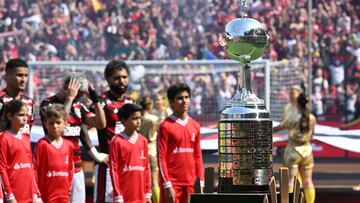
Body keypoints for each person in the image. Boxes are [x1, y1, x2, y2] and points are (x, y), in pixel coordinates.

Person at [40, 72, 107, 203]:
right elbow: (59, 129)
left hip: (76, 166)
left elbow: (101, 123)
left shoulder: (77, 106)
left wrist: (94, 98)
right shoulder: (48, 104)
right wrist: (70, 99)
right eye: (78, 95)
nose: (78, 99)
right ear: (67, 87)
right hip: (57, 167)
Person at [94, 59, 134, 203]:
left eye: (124, 77)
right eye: (117, 78)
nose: (121, 81)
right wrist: (95, 154)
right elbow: (83, 126)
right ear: (108, 80)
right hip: (108, 164)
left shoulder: (130, 101)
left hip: (128, 163)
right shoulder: (100, 101)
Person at [157, 83, 204, 203]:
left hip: (191, 184)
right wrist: (167, 185)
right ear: (171, 102)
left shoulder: (195, 126)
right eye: (180, 98)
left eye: (187, 97)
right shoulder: (165, 126)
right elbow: (161, 158)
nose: (184, 101)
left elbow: (198, 157)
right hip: (173, 184)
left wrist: (201, 183)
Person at [275, 92, 316, 203]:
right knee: (308, 181)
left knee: (290, 180)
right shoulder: (312, 118)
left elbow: (278, 127)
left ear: (297, 104)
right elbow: (312, 135)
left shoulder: (293, 118)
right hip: (307, 151)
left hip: (293, 151)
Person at [0, 100, 42, 203]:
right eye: (21, 115)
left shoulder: (26, 138)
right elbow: (2, 169)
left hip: (29, 193)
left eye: (27, 115)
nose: (25, 118)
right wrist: (10, 196)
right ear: (10, 116)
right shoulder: (4, 138)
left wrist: (36, 194)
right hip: (14, 194)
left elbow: (30, 168)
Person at [109, 103, 151, 203]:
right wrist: (118, 196)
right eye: (135, 118)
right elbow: (113, 170)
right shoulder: (116, 141)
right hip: (124, 197)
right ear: (123, 120)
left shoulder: (143, 140)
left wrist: (148, 192)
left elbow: (146, 168)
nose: (139, 122)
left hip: (141, 196)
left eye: (140, 118)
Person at [34, 104, 74, 203]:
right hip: (45, 196)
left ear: (65, 123)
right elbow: (34, 170)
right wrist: (36, 194)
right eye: (51, 123)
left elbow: (70, 170)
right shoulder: (42, 144)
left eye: (58, 122)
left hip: (63, 196)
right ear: (45, 124)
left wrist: (68, 191)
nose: (55, 126)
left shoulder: (69, 145)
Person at [0, 58, 35, 138]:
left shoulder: (30, 102)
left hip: (23, 149)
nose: (23, 79)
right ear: (7, 75)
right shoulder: (1, 99)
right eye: (19, 75)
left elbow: (28, 129)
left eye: (26, 75)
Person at [139, 96, 160, 203]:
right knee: (154, 182)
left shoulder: (139, 118)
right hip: (152, 149)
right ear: (150, 105)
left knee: (141, 181)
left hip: (140, 150)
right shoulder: (154, 119)